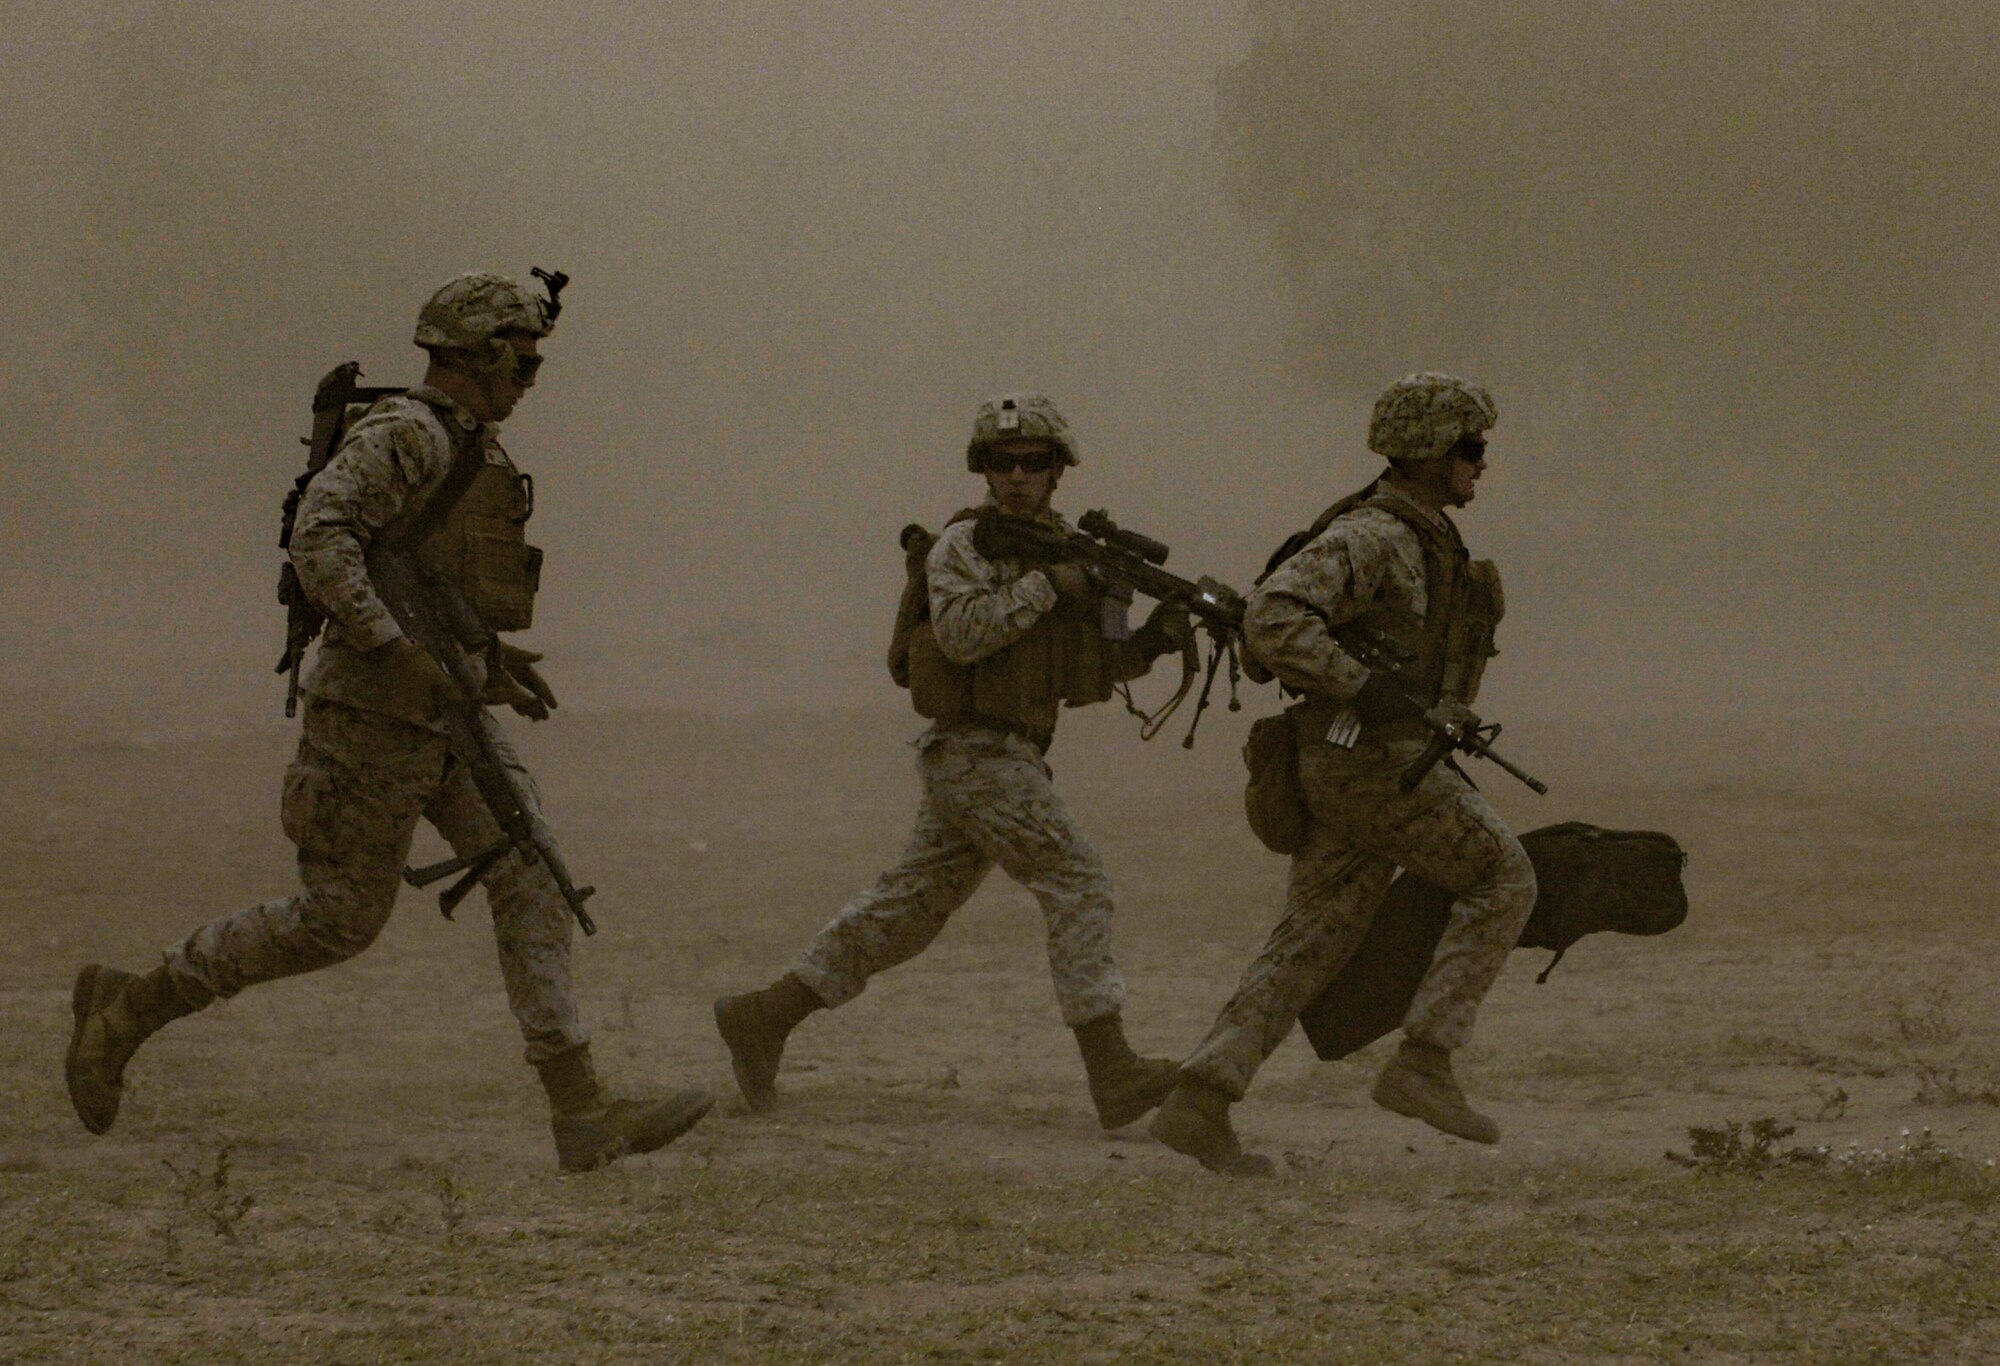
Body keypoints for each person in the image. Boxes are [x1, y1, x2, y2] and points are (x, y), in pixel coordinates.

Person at [64, 272, 712, 1171]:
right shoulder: (408, 434)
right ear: (478, 356)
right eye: (521, 360)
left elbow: (425, 573)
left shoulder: (466, 444)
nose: (531, 379)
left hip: (444, 714)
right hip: (371, 716)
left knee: (533, 875)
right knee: (338, 920)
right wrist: (399, 650)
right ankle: (131, 1005)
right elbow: (322, 539)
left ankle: (581, 1110)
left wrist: (488, 662)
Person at [714, 392, 1191, 1130]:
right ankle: (1112, 1070)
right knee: (1077, 880)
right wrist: (1047, 585)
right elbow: (964, 635)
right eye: (1003, 464)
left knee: (908, 912)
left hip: (1002, 757)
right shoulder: (963, 546)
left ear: (1058, 471)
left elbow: (1081, 669)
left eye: (1035, 464)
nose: (1019, 477)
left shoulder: (1065, 551)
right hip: (975, 751)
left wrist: (1154, 640)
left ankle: (764, 1015)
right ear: (984, 469)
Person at [1150, 372, 1538, 1176]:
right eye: (1470, 447)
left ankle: (1201, 1098)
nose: (1481, 463)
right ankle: (1424, 1063)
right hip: (1368, 762)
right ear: (1431, 452)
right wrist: (1367, 686)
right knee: (1504, 877)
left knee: (1311, 939)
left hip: (1353, 758)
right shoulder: (1376, 536)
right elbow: (1273, 615)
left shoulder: (1417, 534)